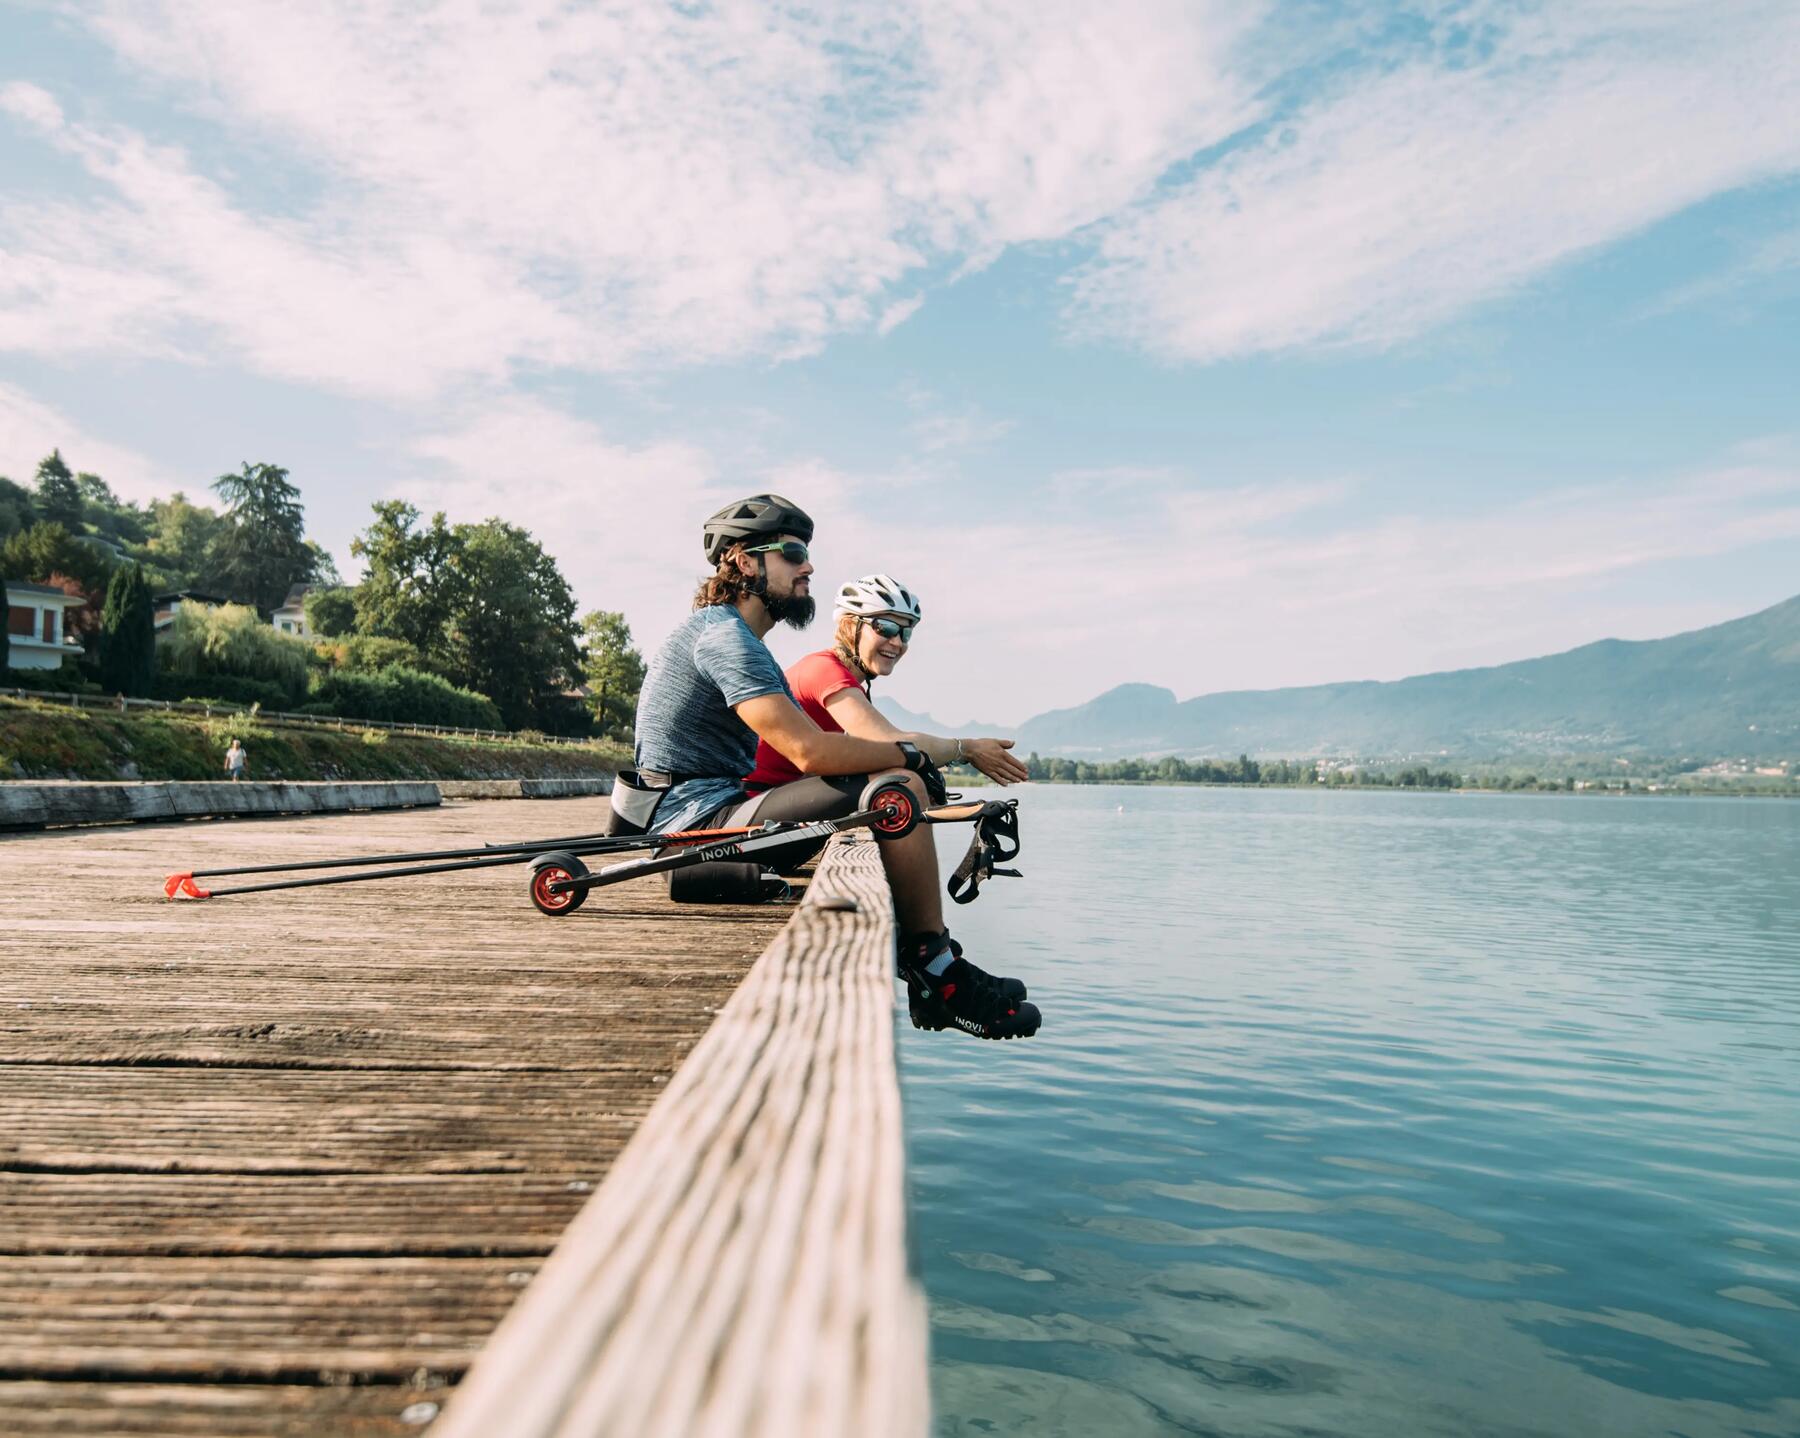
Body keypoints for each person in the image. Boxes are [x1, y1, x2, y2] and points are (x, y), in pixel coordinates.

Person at [631, 494, 1041, 1041]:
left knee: (899, 782)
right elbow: (810, 753)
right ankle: (934, 970)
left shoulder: (733, 637)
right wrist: (922, 754)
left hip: (708, 809)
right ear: (744, 561)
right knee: (898, 787)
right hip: (692, 825)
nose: (809, 567)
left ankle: (931, 961)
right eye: (794, 552)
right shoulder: (726, 638)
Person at [744, 573, 1030, 794]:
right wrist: (967, 748)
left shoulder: (846, 679)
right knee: (903, 782)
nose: (896, 642)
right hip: (755, 801)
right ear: (848, 627)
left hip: (777, 795)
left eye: (905, 633)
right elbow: (888, 742)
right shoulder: (824, 670)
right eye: (886, 628)